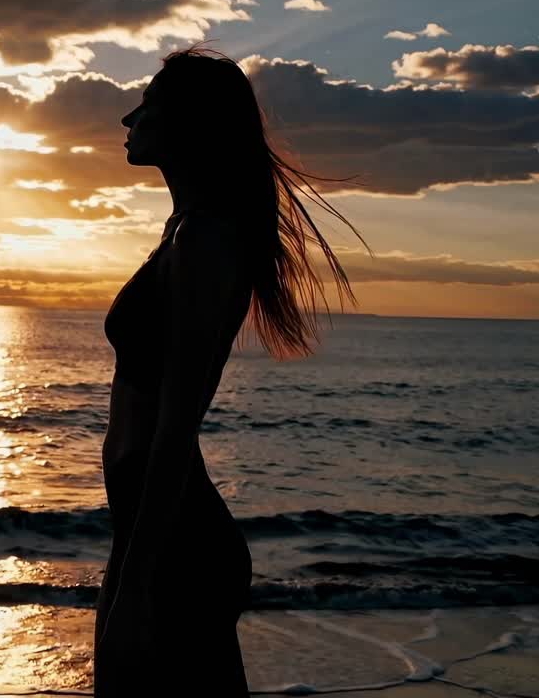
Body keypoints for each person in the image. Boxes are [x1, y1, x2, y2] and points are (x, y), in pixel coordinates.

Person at [94, 45, 367, 694]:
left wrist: (135, 585)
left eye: (149, 103)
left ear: (187, 121)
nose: (128, 119)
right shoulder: (185, 230)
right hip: (148, 531)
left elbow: (174, 427)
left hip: (176, 544)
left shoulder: (206, 240)